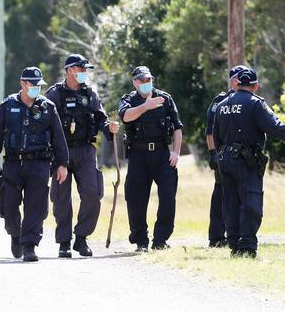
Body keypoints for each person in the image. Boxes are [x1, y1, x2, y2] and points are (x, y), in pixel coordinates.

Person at [213, 67, 285, 258]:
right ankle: (248, 246)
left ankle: (234, 245)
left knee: (230, 202)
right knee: (251, 200)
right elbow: (276, 128)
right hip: (246, 161)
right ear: (255, 86)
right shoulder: (255, 104)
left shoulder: (222, 105)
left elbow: (216, 136)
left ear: (237, 84)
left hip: (224, 160)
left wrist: (221, 155)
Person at [0, 67, 69, 262]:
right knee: (10, 205)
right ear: (22, 84)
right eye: (32, 84)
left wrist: (62, 163)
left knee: (35, 206)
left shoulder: (48, 107)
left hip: (39, 164)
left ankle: (29, 245)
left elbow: (58, 138)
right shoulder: (7, 106)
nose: (36, 88)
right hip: (13, 164)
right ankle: (15, 234)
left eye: (39, 85)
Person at [45, 54, 120, 258]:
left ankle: (81, 238)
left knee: (92, 193)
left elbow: (100, 119)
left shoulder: (91, 94)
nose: (84, 73)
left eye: (86, 70)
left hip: (86, 151)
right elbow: (45, 124)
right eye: (81, 69)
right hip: (62, 152)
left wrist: (109, 127)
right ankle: (64, 242)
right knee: (61, 198)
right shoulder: (54, 95)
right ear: (69, 70)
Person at [118, 66, 183, 252]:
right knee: (136, 198)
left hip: (163, 155)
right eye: (142, 80)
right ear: (135, 82)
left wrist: (176, 152)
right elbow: (126, 117)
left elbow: (177, 127)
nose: (147, 83)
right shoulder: (128, 100)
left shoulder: (165, 98)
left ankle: (160, 240)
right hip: (139, 155)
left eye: (149, 80)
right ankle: (141, 241)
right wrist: (145, 106)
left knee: (168, 197)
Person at [204, 65, 247, 248]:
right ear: (232, 80)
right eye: (237, 77)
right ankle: (216, 237)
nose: (239, 81)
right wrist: (213, 153)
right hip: (224, 156)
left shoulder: (250, 100)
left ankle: (239, 235)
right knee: (221, 194)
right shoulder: (221, 100)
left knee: (243, 195)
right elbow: (210, 131)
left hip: (245, 156)